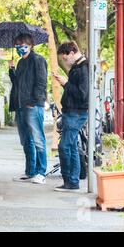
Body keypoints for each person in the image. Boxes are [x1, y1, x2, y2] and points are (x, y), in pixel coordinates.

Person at [9, 34, 48, 185]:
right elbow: (17, 84)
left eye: (23, 44)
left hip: (32, 106)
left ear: (31, 45)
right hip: (20, 105)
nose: (20, 47)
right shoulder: (20, 63)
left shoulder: (38, 60)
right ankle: (30, 171)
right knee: (26, 141)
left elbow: (41, 83)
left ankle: (41, 172)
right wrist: (12, 70)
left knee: (38, 139)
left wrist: (34, 101)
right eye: (18, 45)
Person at [53, 41, 89, 192]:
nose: (65, 61)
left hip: (76, 112)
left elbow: (82, 94)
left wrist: (66, 84)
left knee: (65, 146)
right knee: (71, 146)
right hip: (72, 112)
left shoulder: (83, 68)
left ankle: (70, 180)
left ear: (72, 52)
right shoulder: (78, 67)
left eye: (65, 58)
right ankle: (71, 181)